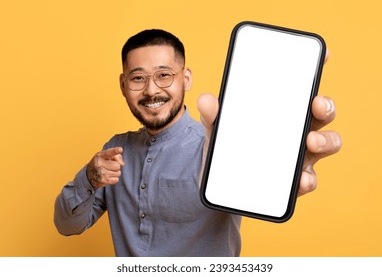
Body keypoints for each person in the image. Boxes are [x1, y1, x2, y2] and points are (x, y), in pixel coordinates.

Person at [54, 29, 342, 256]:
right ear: (123, 85)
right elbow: (67, 225)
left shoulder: (218, 145)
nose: (151, 89)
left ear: (186, 78)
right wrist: (89, 179)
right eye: (138, 78)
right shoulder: (115, 150)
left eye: (164, 75)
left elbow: (254, 188)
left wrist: (278, 175)